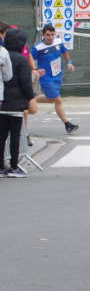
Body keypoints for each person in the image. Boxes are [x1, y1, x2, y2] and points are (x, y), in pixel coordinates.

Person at [1, 27, 35, 178]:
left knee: (1, 135)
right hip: (16, 102)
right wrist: (30, 97)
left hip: (2, 100)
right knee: (15, 134)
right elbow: (25, 83)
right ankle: (14, 166)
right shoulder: (21, 60)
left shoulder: (3, 55)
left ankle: (1, 166)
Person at [31, 24, 77, 133]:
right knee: (58, 99)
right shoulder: (38, 48)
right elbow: (31, 58)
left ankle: (33, 99)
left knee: (52, 99)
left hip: (57, 75)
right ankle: (67, 124)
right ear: (43, 35)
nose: (50, 37)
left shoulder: (58, 42)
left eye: (52, 34)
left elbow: (64, 51)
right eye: (48, 35)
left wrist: (69, 62)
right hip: (46, 78)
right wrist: (35, 69)